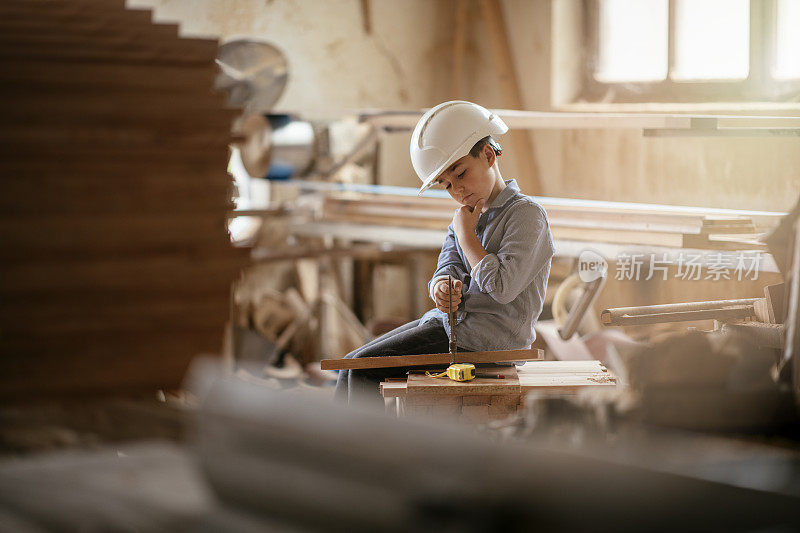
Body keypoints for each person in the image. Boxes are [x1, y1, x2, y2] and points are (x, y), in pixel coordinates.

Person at [334, 100, 555, 407]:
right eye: (446, 185)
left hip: (488, 344)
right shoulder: (464, 217)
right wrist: (440, 289)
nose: (457, 191)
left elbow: (502, 288)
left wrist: (466, 236)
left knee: (363, 373)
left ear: (489, 155)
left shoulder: (527, 216)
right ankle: (345, 453)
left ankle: (371, 455)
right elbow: (447, 267)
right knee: (351, 364)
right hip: (449, 327)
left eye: (461, 174)